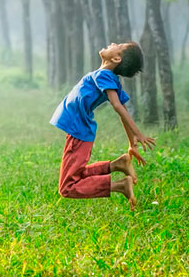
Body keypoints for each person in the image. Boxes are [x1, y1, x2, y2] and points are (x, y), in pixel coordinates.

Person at [50, 42, 156, 210]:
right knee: (76, 175)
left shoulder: (105, 75)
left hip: (78, 131)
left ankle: (120, 186)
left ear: (116, 58)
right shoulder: (107, 77)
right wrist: (131, 144)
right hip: (79, 130)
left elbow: (117, 105)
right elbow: (123, 108)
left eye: (118, 45)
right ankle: (117, 165)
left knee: (67, 187)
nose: (113, 43)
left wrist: (137, 133)